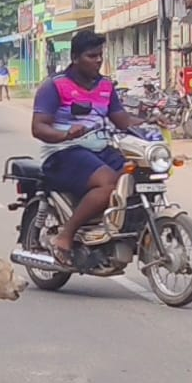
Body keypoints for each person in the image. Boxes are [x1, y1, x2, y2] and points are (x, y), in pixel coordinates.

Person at [30, 30, 147, 268]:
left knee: (139, 173)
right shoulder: (54, 86)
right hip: (63, 153)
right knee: (108, 183)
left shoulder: (105, 85)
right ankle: (66, 235)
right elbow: (38, 127)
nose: (98, 60)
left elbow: (122, 120)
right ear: (75, 58)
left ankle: (112, 227)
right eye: (91, 56)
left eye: (100, 55)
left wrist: (150, 121)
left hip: (100, 150)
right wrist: (65, 134)